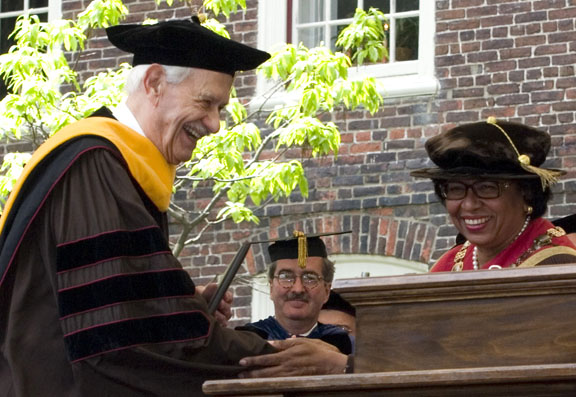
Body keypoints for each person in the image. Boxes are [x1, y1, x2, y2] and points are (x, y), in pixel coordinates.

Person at [0, 18, 284, 396]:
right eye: (206, 102)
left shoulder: (118, 166)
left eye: (221, 108)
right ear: (154, 83)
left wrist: (177, 307)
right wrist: (280, 355)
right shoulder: (95, 166)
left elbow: (114, 305)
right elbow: (118, 339)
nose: (215, 124)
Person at [411, 117, 576, 271]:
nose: (469, 204)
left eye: (487, 188)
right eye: (456, 189)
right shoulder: (450, 263)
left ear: (527, 193)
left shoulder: (557, 267)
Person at [237, 232, 353, 355]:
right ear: (271, 288)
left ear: (326, 291)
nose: (298, 289)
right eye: (286, 277)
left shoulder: (338, 341)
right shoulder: (249, 338)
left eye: (310, 278)